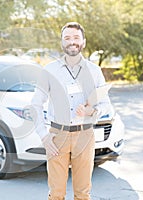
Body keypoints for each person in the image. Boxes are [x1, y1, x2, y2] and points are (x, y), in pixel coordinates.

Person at [31, 22, 112, 200]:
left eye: (76, 37)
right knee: (56, 194)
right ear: (62, 42)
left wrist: (90, 110)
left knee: (83, 194)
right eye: (67, 38)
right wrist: (44, 137)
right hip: (57, 136)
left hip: (84, 135)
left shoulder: (95, 71)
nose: (72, 41)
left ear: (83, 41)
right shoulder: (49, 70)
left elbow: (107, 105)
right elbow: (35, 105)